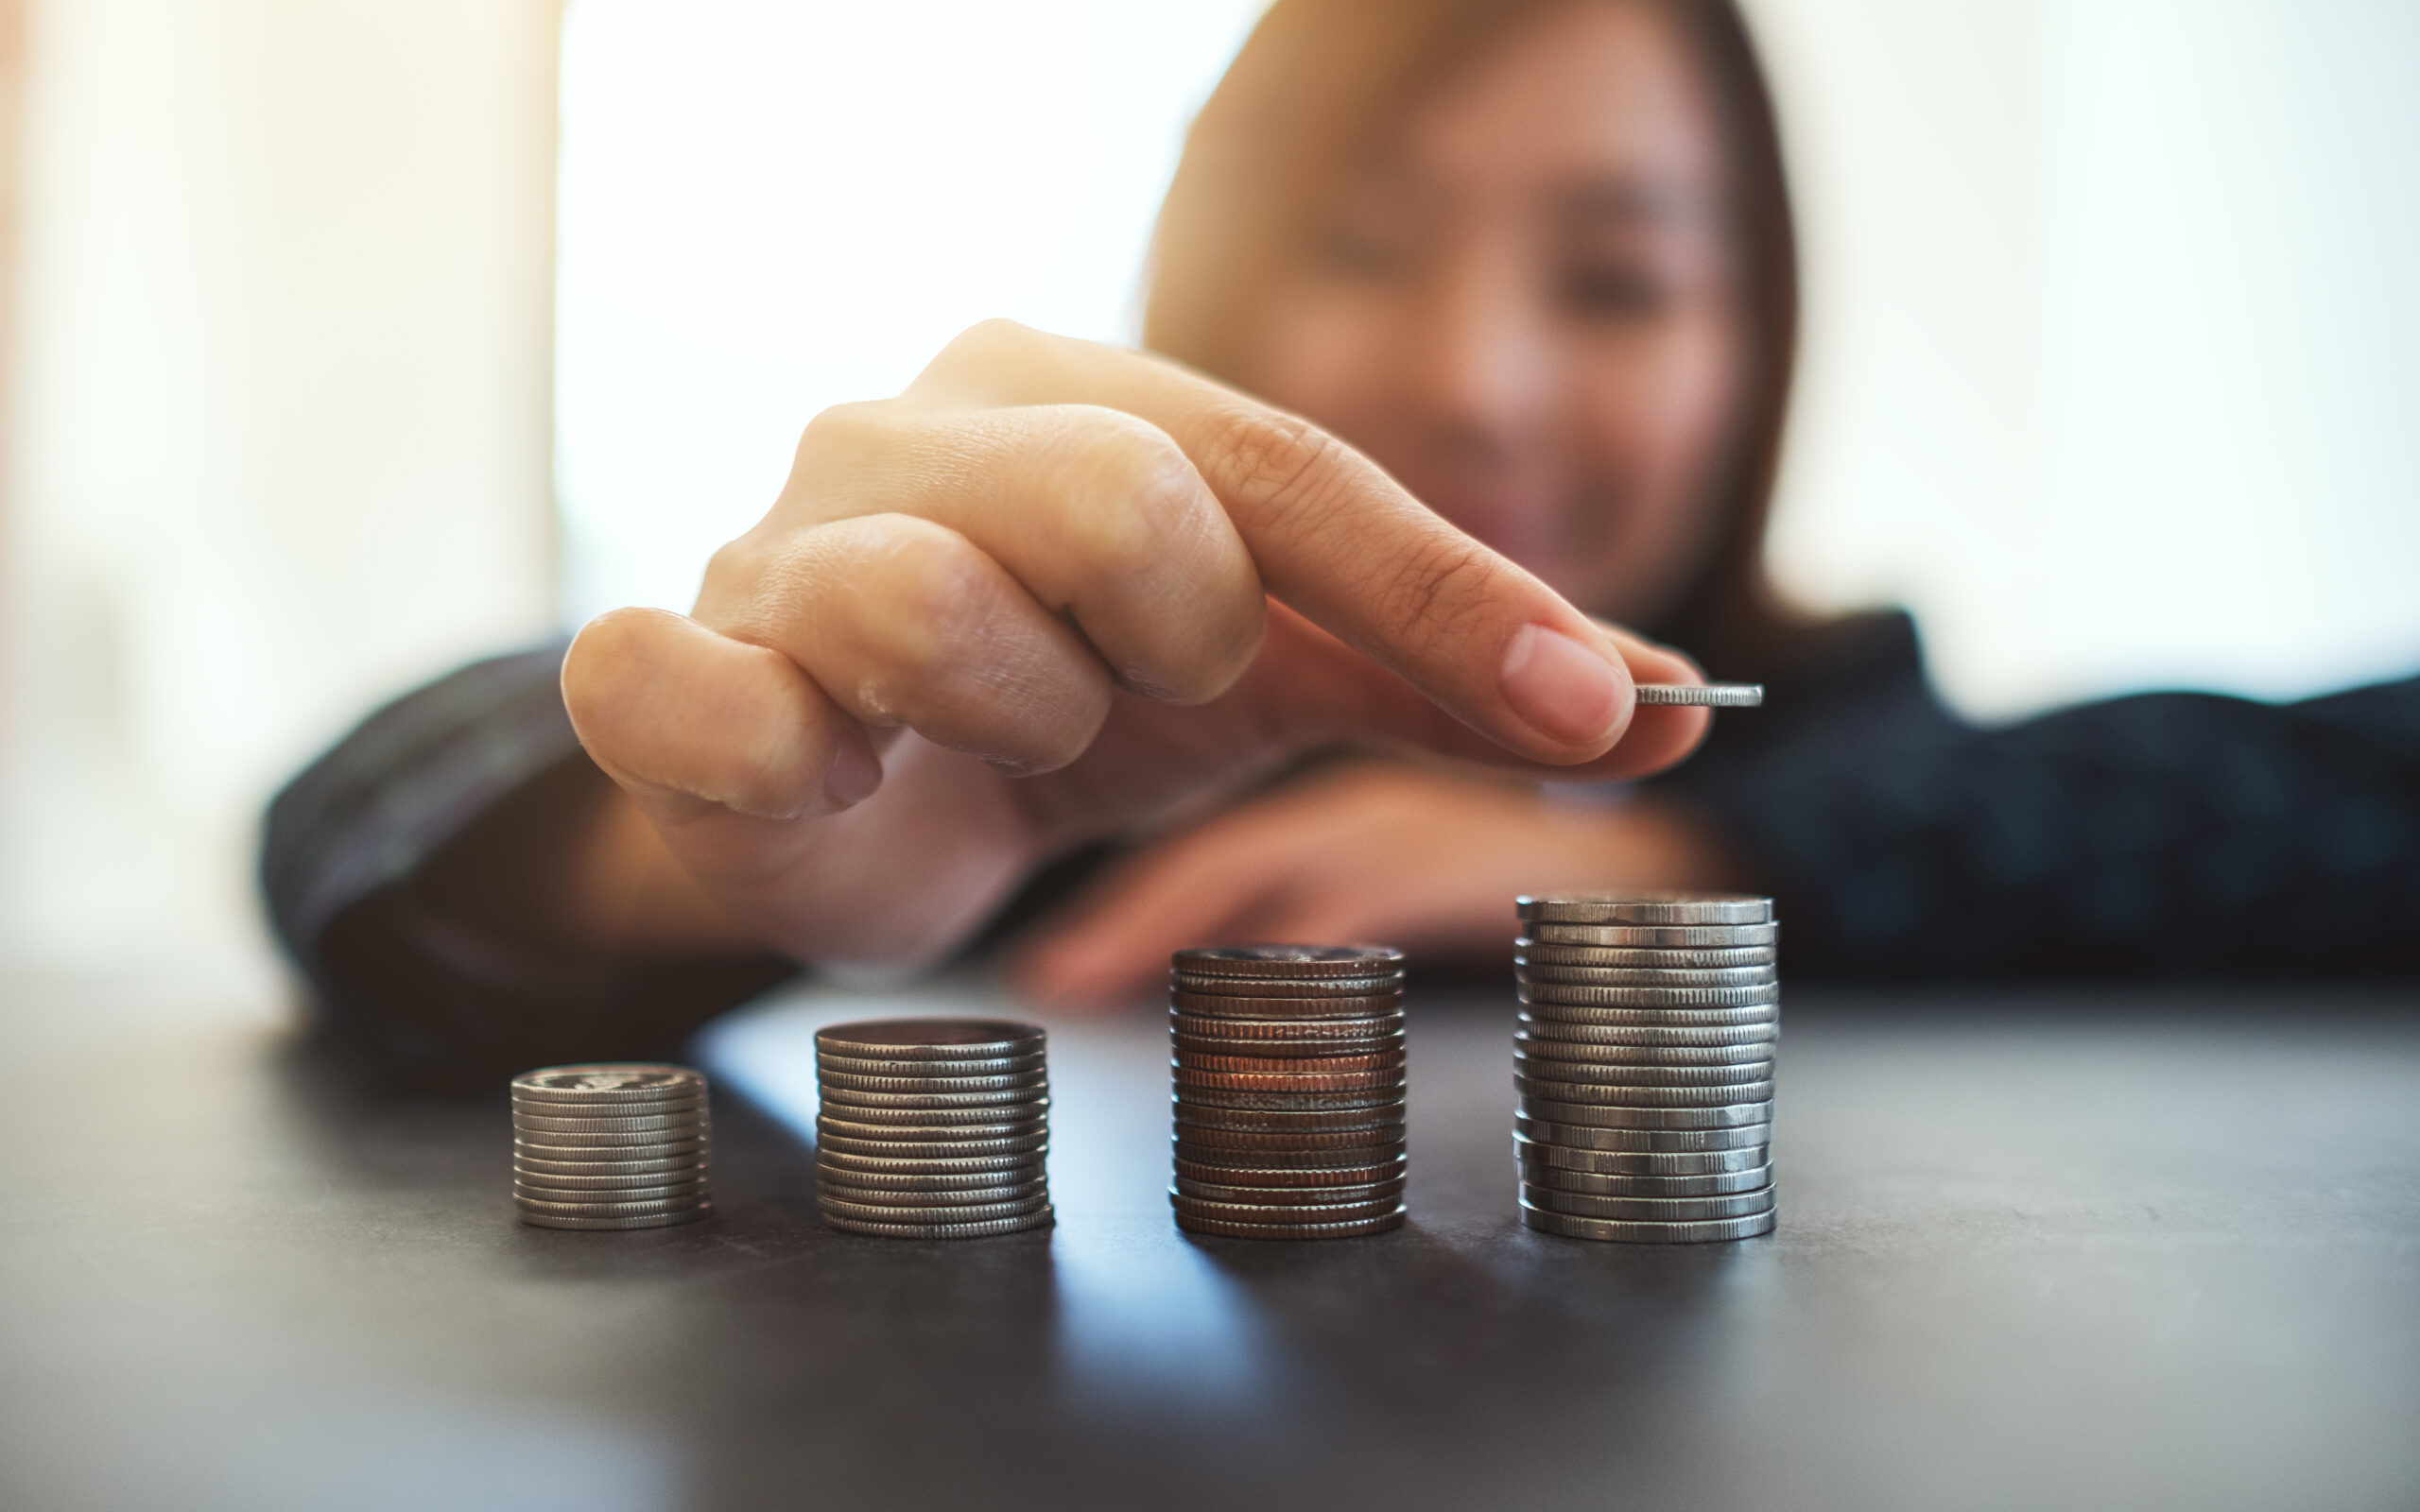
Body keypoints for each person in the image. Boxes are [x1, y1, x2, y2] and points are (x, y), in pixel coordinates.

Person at [262, 0, 2420, 1085]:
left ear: (1746, 351)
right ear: (1209, 284)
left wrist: (1690, 851)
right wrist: (711, 835)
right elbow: (345, 823)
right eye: (1363, 245)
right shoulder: (1054, 740)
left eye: (1611, 279)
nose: (1476, 379)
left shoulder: (1865, 739)